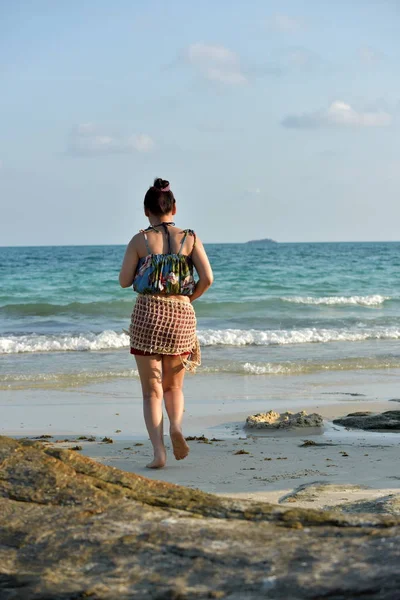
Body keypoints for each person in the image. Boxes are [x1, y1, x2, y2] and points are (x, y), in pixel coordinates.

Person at [119, 178, 213, 469]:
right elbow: (207, 279)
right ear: (175, 208)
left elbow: (124, 282)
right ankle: (176, 428)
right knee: (173, 388)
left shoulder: (141, 240)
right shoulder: (190, 238)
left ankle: (159, 453)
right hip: (181, 317)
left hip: (148, 316)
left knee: (151, 391)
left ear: (146, 211)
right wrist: (187, 300)